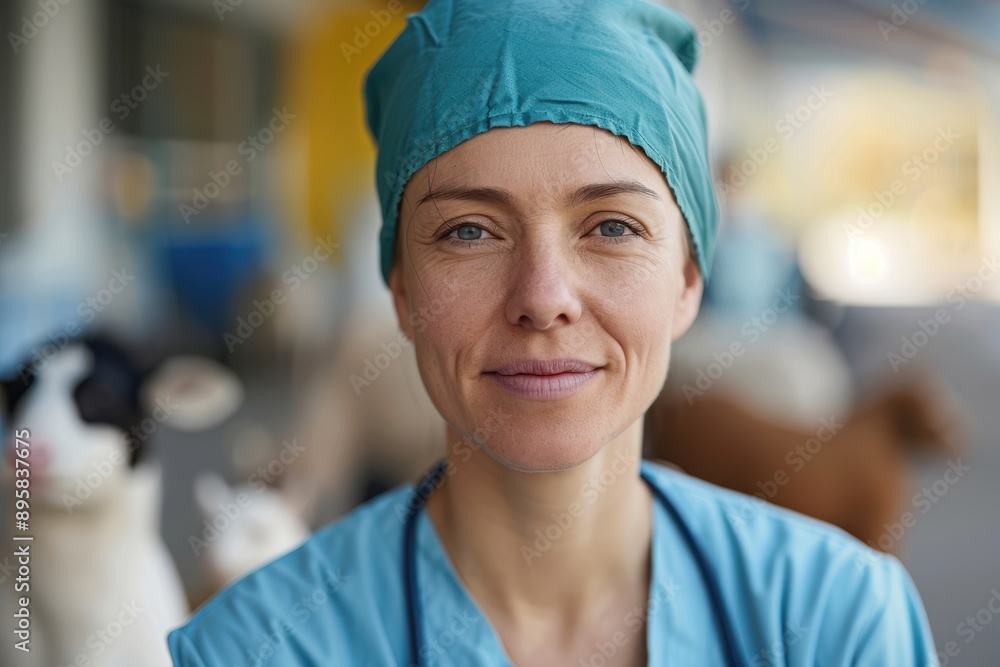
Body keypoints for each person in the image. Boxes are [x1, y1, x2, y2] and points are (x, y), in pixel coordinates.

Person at [167, 0, 938, 665]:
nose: (543, 297)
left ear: (687, 282)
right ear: (400, 289)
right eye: (470, 231)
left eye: (610, 226)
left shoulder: (842, 623)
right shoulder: (258, 645)